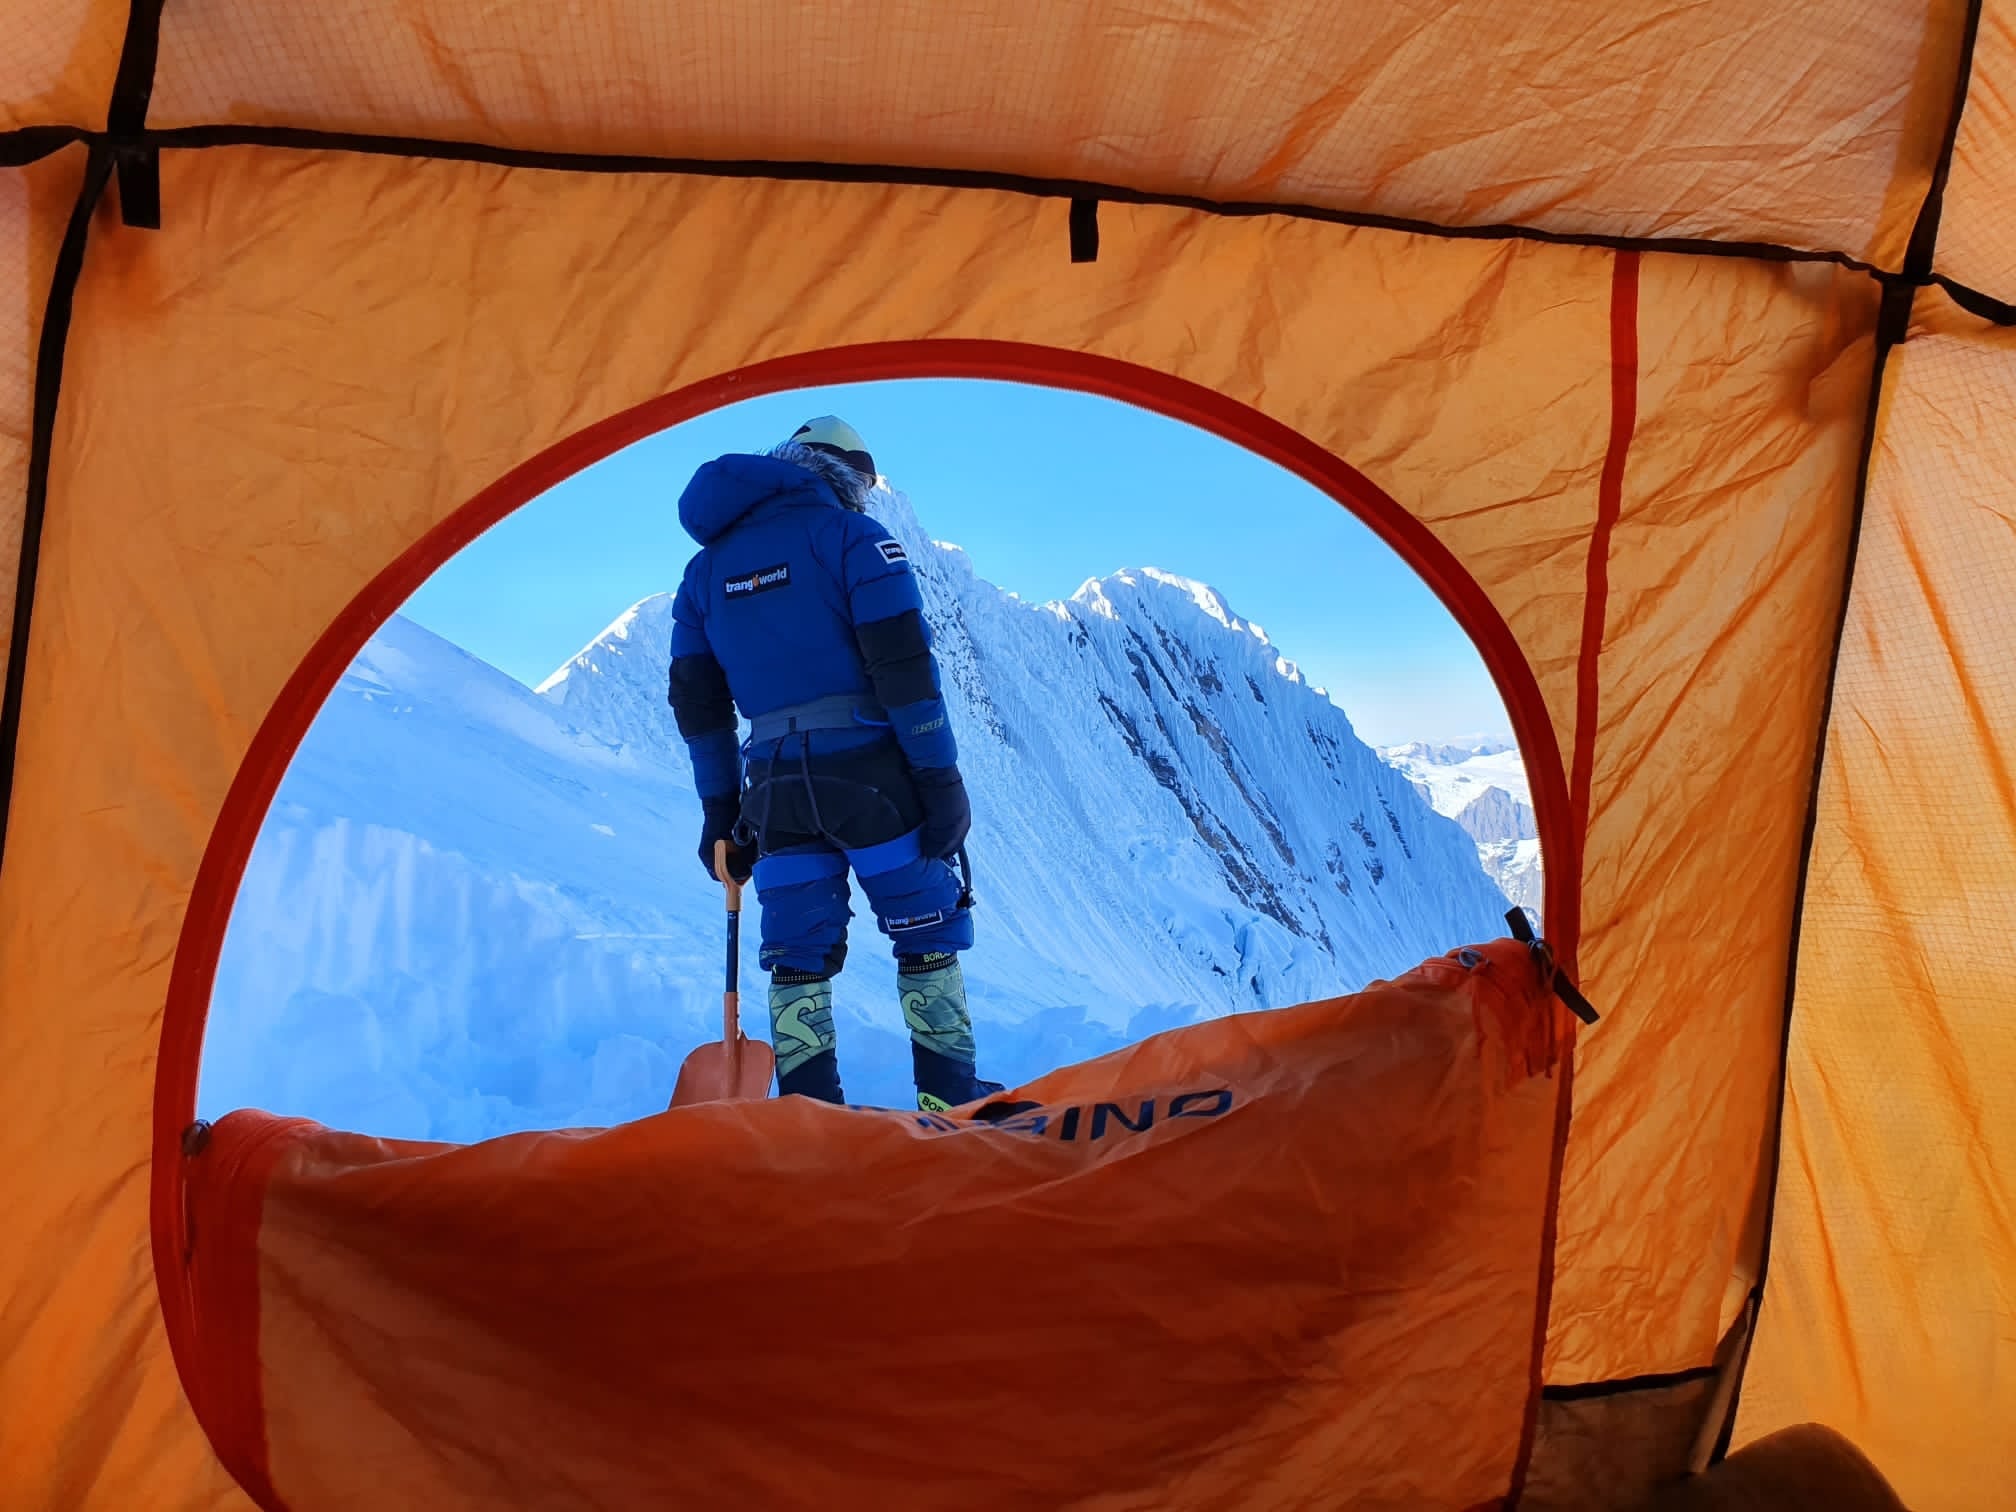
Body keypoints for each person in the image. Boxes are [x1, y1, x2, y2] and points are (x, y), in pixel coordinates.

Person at [665, 417, 1004, 1112]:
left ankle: (807, 1119)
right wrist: (940, 780)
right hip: (871, 776)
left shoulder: (701, 576)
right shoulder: (855, 542)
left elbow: (700, 711)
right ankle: (950, 1102)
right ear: (846, 475)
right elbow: (905, 673)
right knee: (926, 929)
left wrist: (718, 812)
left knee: (797, 950)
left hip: (775, 794)